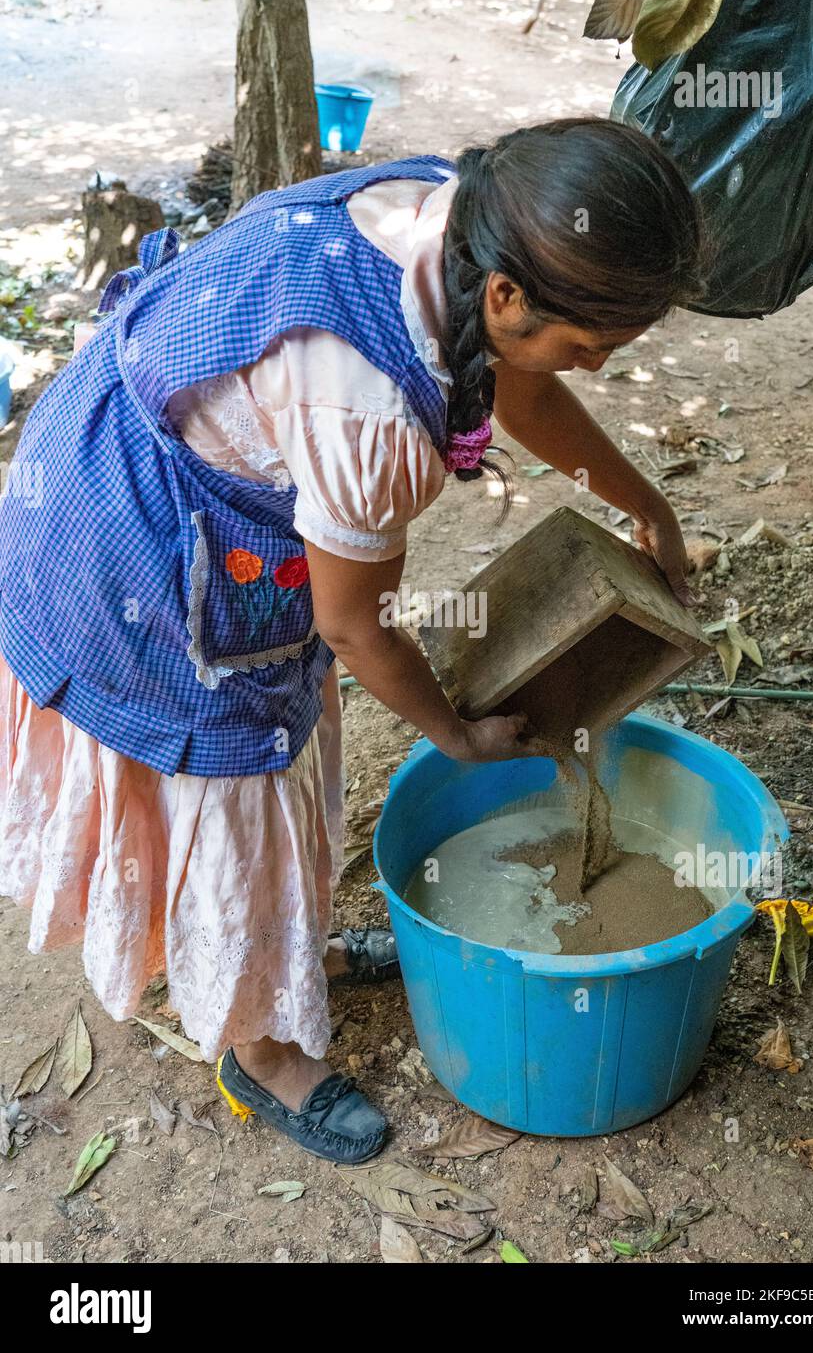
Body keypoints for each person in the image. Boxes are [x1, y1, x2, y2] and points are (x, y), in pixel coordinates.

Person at [0, 118, 702, 1163]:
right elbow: (353, 626)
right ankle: (262, 1051)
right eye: (588, 344)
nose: (594, 368)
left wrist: (646, 505)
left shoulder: (462, 219)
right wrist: (456, 736)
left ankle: (296, 953)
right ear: (506, 297)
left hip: (178, 474)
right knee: (242, 780)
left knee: (287, 760)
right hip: (129, 545)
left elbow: (522, 381)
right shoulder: (371, 408)